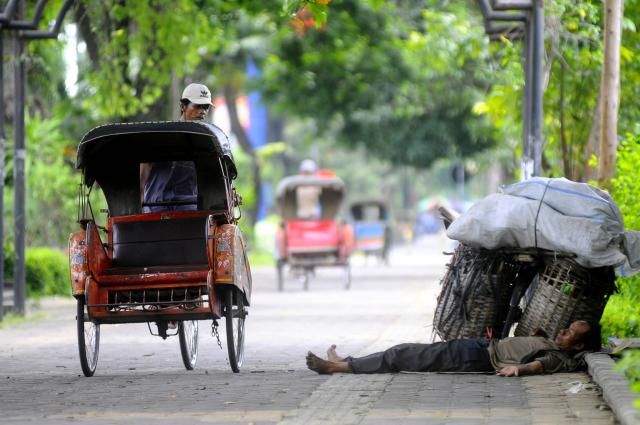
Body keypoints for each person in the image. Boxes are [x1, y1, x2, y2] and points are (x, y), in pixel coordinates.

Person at [306, 320, 600, 376]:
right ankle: (344, 361)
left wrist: (517, 370)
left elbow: (541, 365)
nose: (563, 331)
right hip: (478, 347)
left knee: (402, 354)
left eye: (569, 332)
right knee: (407, 351)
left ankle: (336, 367)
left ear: (579, 345)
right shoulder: (556, 344)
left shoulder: (560, 356)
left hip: (478, 356)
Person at [140, 83, 213, 212]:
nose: (202, 111)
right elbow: (145, 167)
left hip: (188, 209)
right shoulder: (163, 135)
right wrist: (139, 201)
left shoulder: (205, 142)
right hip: (156, 207)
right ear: (183, 107)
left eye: (206, 107)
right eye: (197, 106)